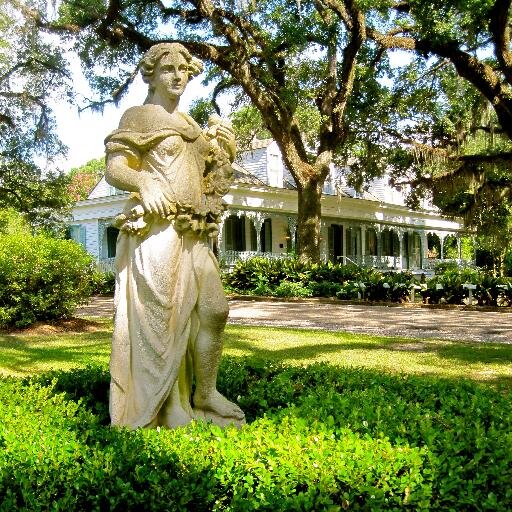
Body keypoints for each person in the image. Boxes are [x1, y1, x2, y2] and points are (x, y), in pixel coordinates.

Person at [104, 43, 245, 429]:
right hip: (157, 231)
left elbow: (207, 174)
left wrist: (223, 150)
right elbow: (115, 167)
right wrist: (143, 180)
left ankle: (205, 392)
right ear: (151, 74)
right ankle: (165, 407)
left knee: (215, 309)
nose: (177, 76)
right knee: (160, 322)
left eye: (183, 69)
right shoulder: (139, 117)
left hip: (194, 231)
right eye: (168, 69)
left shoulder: (191, 126)